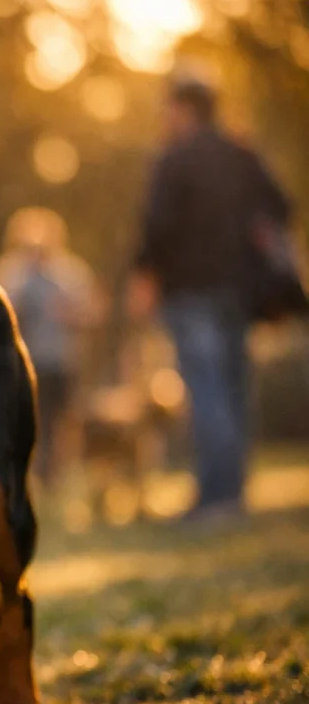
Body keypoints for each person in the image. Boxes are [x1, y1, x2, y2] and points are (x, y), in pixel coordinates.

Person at [128, 77, 292, 525]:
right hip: (239, 291)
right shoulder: (243, 154)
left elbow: (156, 226)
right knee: (235, 388)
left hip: (190, 290)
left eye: (169, 108)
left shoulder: (175, 158)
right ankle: (233, 493)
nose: (165, 117)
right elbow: (281, 206)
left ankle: (216, 499)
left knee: (207, 390)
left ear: (184, 109)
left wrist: (144, 278)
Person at [0, 207, 101, 493]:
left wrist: (70, 314)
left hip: (62, 361)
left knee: (62, 424)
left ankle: (55, 481)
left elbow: (91, 314)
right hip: (22, 361)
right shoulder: (9, 272)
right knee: (22, 421)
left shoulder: (71, 273)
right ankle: (22, 480)